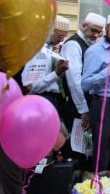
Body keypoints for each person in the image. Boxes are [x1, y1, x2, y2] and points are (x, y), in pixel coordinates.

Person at [81, 14, 110, 173]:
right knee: (102, 149)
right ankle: (98, 185)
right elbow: (85, 83)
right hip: (102, 104)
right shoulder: (94, 51)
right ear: (107, 29)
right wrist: (108, 71)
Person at [20, 16, 72, 155]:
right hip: (40, 101)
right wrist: (56, 73)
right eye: (59, 36)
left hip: (52, 100)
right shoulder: (36, 51)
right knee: (40, 143)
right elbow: (29, 87)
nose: (61, 40)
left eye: (64, 36)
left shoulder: (49, 50)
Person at [61, 13, 106, 136]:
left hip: (86, 103)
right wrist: (83, 109)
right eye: (93, 31)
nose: (96, 35)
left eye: (99, 33)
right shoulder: (73, 44)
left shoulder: (90, 44)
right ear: (84, 25)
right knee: (76, 144)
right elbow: (74, 80)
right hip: (76, 105)